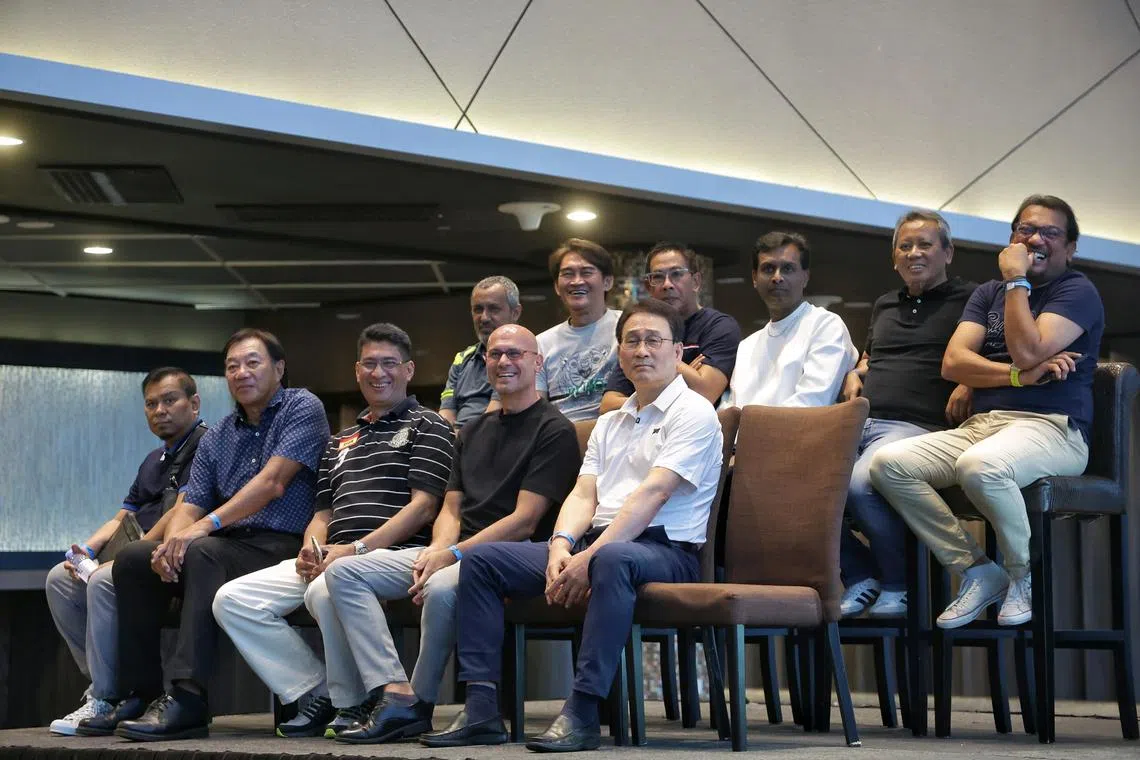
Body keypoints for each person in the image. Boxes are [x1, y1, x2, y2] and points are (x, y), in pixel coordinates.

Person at [421, 298, 723, 752]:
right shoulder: (610, 423)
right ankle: (482, 707)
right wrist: (562, 544)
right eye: (631, 341)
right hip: (598, 544)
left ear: (678, 351)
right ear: (619, 352)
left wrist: (590, 555)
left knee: (614, 559)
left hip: (666, 551)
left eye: (653, 340)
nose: (642, 350)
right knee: (480, 561)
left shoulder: (694, 413)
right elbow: (584, 494)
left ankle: (582, 711)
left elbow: (653, 494)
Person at [328, 323, 580, 745]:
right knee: (343, 574)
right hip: (458, 550)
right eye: (496, 354)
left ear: (537, 362)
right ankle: (396, 692)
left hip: (513, 555)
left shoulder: (554, 429)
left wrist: (453, 555)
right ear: (485, 363)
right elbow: (451, 507)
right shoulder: (472, 431)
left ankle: (420, 703)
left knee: (443, 587)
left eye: (516, 354)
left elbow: (524, 520)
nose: (504, 361)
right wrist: (439, 548)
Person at [871, 195, 1104, 629]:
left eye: (1050, 233)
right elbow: (954, 363)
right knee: (888, 466)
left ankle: (1020, 576)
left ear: (1070, 248)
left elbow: (1028, 347)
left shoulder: (1077, 290)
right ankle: (978, 570)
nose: (1035, 238)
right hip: (984, 424)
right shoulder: (987, 293)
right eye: (1025, 230)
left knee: (979, 468)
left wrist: (1017, 281)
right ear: (1011, 238)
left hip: (1052, 429)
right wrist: (1019, 376)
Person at [212, 323, 454, 738]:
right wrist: (313, 549)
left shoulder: (429, 425)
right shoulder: (340, 439)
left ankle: (358, 702)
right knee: (232, 599)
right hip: (336, 554)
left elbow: (423, 508)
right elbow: (322, 514)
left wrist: (355, 550)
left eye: (390, 364)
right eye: (370, 364)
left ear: (409, 370)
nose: (379, 373)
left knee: (329, 584)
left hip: (397, 554)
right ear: (357, 371)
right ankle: (316, 689)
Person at [98, 328, 330, 741]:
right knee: (135, 558)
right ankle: (145, 693)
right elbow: (191, 503)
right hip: (227, 545)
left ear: (279, 368)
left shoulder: (302, 406)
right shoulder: (220, 433)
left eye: (252, 362)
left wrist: (200, 530)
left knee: (203, 551)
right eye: (232, 366)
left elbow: (273, 483)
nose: (241, 372)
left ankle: (188, 697)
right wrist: (168, 544)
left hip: (282, 545)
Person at [45, 368, 206, 735]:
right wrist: (85, 550)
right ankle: (111, 686)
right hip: (134, 554)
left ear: (193, 403)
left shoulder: (204, 447)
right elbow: (124, 515)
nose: (160, 410)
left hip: (168, 558)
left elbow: (183, 512)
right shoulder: (153, 459)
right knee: (60, 578)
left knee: (104, 578)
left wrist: (129, 555)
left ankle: (103, 695)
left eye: (169, 400)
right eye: (151, 404)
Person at [837, 211, 976, 618]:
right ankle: (862, 574)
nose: (914, 253)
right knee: (798, 488)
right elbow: (871, 356)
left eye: (925, 245)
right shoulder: (884, 304)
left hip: (917, 427)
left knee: (861, 483)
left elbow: (990, 354)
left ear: (948, 253)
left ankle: (900, 584)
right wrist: (854, 371)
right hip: (861, 421)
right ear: (894, 257)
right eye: (905, 246)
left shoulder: (972, 299)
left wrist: (970, 382)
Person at [600, 242, 740, 413]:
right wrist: (682, 369)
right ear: (648, 287)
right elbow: (608, 405)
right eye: (658, 277)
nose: (667, 284)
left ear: (696, 282)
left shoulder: (719, 326)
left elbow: (705, 393)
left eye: (676, 274)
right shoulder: (641, 333)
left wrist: (648, 385)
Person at [725, 231, 857, 409]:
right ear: (755, 278)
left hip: (800, 435)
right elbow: (732, 410)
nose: (777, 277)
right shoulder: (747, 346)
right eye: (768, 268)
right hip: (745, 435)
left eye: (788, 268)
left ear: (805, 277)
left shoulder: (825, 326)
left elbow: (811, 404)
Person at [536, 238, 621, 421]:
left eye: (586, 272)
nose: (576, 281)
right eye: (567, 274)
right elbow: (536, 410)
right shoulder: (541, 343)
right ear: (557, 287)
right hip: (560, 438)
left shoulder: (629, 327)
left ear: (607, 282)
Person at [439, 276, 522, 427]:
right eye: (478, 309)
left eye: (493, 309)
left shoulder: (524, 355)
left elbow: (494, 415)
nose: (484, 318)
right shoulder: (462, 358)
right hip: (458, 440)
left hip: (495, 435)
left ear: (515, 313)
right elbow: (446, 412)